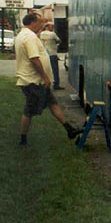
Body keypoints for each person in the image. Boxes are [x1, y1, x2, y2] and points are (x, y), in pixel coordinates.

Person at [15, 13, 82, 146]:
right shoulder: (29, 37)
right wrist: (45, 77)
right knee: (29, 110)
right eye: (39, 22)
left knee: (53, 104)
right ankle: (23, 139)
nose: (41, 25)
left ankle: (69, 129)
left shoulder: (23, 35)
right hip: (33, 81)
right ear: (32, 22)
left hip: (36, 80)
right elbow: (34, 58)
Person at [40, 22, 64, 90]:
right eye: (51, 26)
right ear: (47, 27)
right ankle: (56, 84)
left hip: (45, 54)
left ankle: (45, 83)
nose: (53, 27)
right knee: (55, 70)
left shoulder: (41, 34)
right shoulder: (52, 34)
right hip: (52, 53)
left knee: (46, 69)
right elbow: (59, 40)